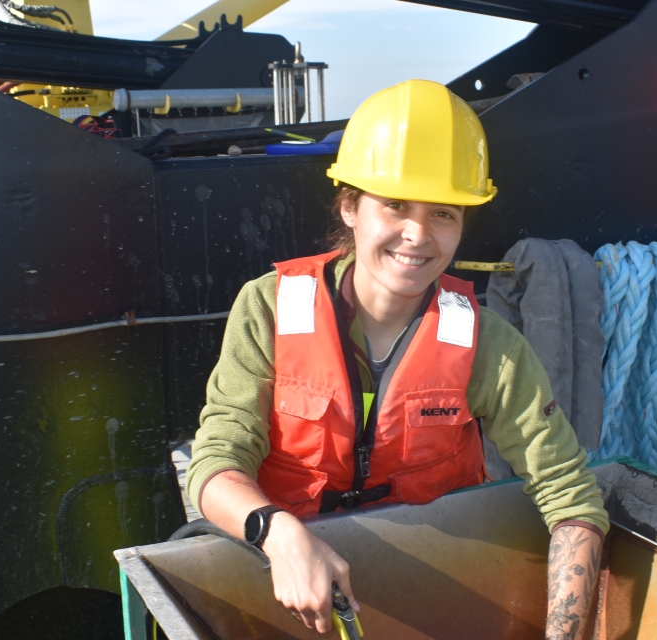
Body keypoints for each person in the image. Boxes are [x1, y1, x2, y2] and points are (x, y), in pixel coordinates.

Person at [186, 79, 610, 639]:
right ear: (350, 206)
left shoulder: (489, 345)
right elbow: (214, 463)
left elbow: (572, 499)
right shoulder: (267, 308)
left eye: (443, 214)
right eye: (394, 206)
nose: (417, 235)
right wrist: (277, 532)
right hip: (283, 580)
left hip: (434, 588)